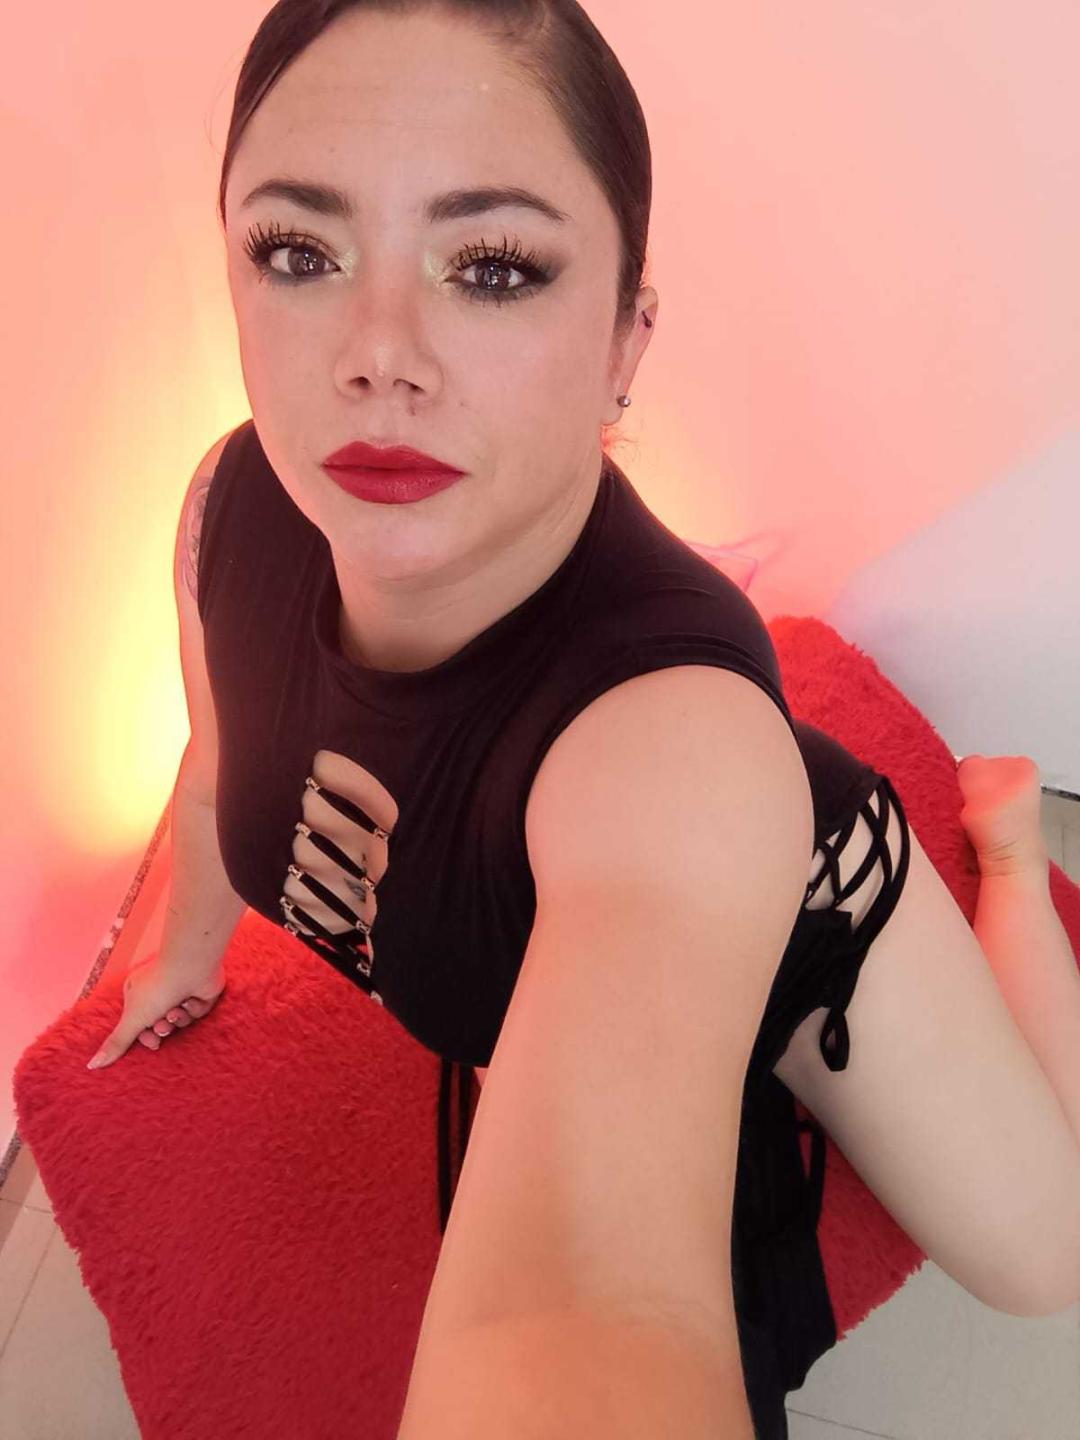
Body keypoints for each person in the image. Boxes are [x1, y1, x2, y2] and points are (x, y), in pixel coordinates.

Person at [88, 4, 1080, 1436]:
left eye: (492, 267)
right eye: (299, 251)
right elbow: (217, 754)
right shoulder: (225, 504)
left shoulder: (675, 751)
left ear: (627, 340)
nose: (378, 355)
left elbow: (583, 1323)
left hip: (801, 886)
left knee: (1047, 1254)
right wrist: (182, 949)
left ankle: (1003, 850)